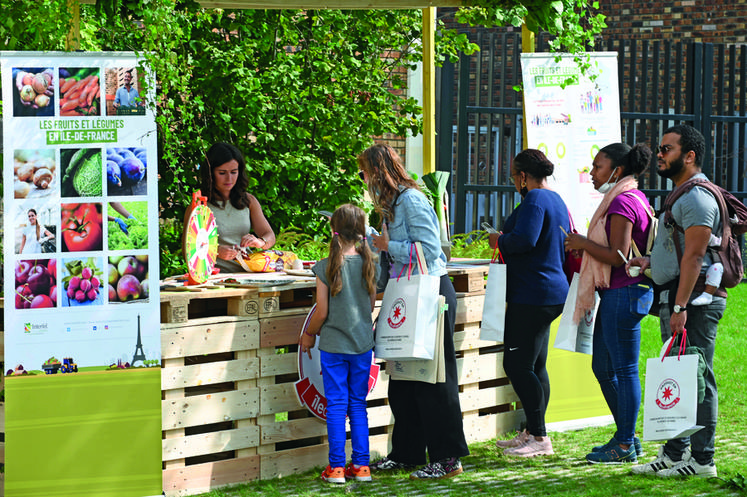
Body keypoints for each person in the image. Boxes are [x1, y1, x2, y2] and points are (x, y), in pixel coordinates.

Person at [359, 143, 469, 479]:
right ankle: (407, 454)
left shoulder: (412, 200)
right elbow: (391, 259)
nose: (363, 179)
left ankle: (448, 458)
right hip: (406, 294)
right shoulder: (390, 204)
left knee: (434, 380)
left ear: (378, 170)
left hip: (429, 293)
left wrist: (386, 245)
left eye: (365, 171)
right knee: (404, 382)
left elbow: (432, 249)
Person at [628, 124, 725, 478]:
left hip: (696, 300)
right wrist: (652, 262)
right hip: (679, 296)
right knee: (679, 376)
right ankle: (673, 453)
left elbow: (696, 257)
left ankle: (702, 461)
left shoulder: (698, 198)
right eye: (659, 149)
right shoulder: (682, 196)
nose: (658, 155)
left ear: (689, 156)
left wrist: (681, 307)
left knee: (698, 378)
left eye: (666, 149)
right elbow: (680, 251)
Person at [563, 143, 655, 464]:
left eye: (597, 166)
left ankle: (626, 443)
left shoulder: (623, 202)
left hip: (625, 292)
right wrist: (586, 248)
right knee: (602, 366)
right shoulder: (627, 197)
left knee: (625, 369)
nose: (591, 172)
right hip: (617, 292)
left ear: (616, 171)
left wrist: (582, 243)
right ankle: (625, 436)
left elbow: (617, 255)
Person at [488, 149, 569, 458]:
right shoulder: (556, 199)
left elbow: (526, 239)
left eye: (513, 175)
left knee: (517, 364)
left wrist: (499, 241)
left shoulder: (534, 200)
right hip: (549, 292)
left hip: (533, 294)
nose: (512, 181)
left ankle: (539, 437)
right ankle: (533, 431)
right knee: (535, 365)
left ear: (523, 176)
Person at [298, 204, 378, 484]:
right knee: (357, 405)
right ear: (361, 232)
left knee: (336, 405)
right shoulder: (370, 264)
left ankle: (336, 469)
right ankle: (362, 467)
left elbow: (321, 311)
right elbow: (369, 306)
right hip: (362, 346)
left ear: (333, 231)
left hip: (333, 347)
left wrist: (308, 334)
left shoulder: (326, 267)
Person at [186, 142, 276, 274]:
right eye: (222, 173)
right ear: (210, 174)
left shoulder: (249, 201)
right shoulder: (199, 205)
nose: (229, 178)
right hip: (213, 279)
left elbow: (270, 236)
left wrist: (260, 242)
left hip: (249, 276)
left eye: (234, 172)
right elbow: (188, 251)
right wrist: (214, 251)